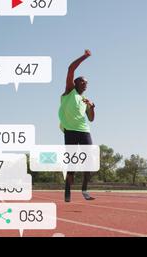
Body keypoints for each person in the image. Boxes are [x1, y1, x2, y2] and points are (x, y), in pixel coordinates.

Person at [59, 49, 96, 202]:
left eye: (86, 83)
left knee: (90, 162)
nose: (85, 84)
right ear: (75, 83)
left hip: (84, 130)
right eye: (82, 81)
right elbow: (71, 68)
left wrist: (92, 107)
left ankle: (85, 190)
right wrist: (85, 56)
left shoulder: (85, 100)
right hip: (70, 131)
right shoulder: (69, 91)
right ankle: (67, 193)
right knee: (72, 164)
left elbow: (91, 119)